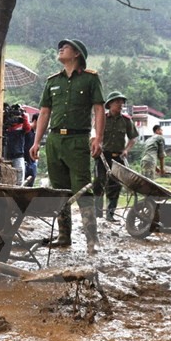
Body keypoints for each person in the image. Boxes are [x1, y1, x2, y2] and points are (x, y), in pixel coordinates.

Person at [29, 38, 105, 255]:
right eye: (60, 47)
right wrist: (36, 142)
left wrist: (98, 138)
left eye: (66, 47)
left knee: (81, 188)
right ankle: (64, 236)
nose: (60, 49)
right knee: (58, 190)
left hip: (78, 140)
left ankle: (92, 239)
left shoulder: (90, 79)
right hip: (54, 141)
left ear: (77, 54)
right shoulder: (53, 81)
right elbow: (44, 112)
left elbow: (98, 109)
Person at [93, 90, 139, 222]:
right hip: (102, 156)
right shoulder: (102, 119)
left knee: (115, 185)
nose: (121, 105)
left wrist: (126, 150)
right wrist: (96, 145)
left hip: (118, 157)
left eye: (122, 102)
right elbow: (93, 135)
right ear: (110, 104)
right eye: (118, 102)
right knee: (98, 182)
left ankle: (110, 214)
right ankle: (97, 213)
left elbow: (133, 138)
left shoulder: (126, 121)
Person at [3, 103, 31, 185]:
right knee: (6, 178)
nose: (15, 118)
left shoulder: (22, 125)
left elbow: (28, 128)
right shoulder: (6, 126)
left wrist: (24, 116)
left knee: (19, 179)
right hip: (6, 156)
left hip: (18, 155)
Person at [24, 113, 39, 187]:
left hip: (32, 162)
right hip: (26, 161)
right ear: (35, 121)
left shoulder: (34, 133)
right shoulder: (27, 130)